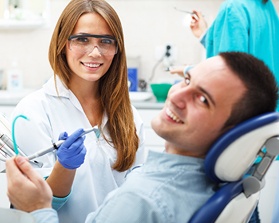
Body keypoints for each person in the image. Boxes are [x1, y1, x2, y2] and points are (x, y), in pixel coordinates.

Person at [6, 52, 279, 223]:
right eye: (186, 80)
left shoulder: (142, 201)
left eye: (203, 99)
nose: (176, 95)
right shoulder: (236, 184)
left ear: (233, 132)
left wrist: (38, 209)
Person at [10, 0, 147, 223]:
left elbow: (136, 186)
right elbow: (36, 205)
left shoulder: (127, 113)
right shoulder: (33, 111)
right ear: (63, 44)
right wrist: (64, 167)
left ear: (116, 49)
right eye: (82, 39)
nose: (95, 52)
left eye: (106, 41)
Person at [171, 0, 279, 87]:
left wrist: (190, 72)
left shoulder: (233, 7)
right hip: (269, 109)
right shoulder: (268, 7)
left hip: (245, 111)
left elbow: (227, 74)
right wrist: (205, 36)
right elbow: (255, 52)